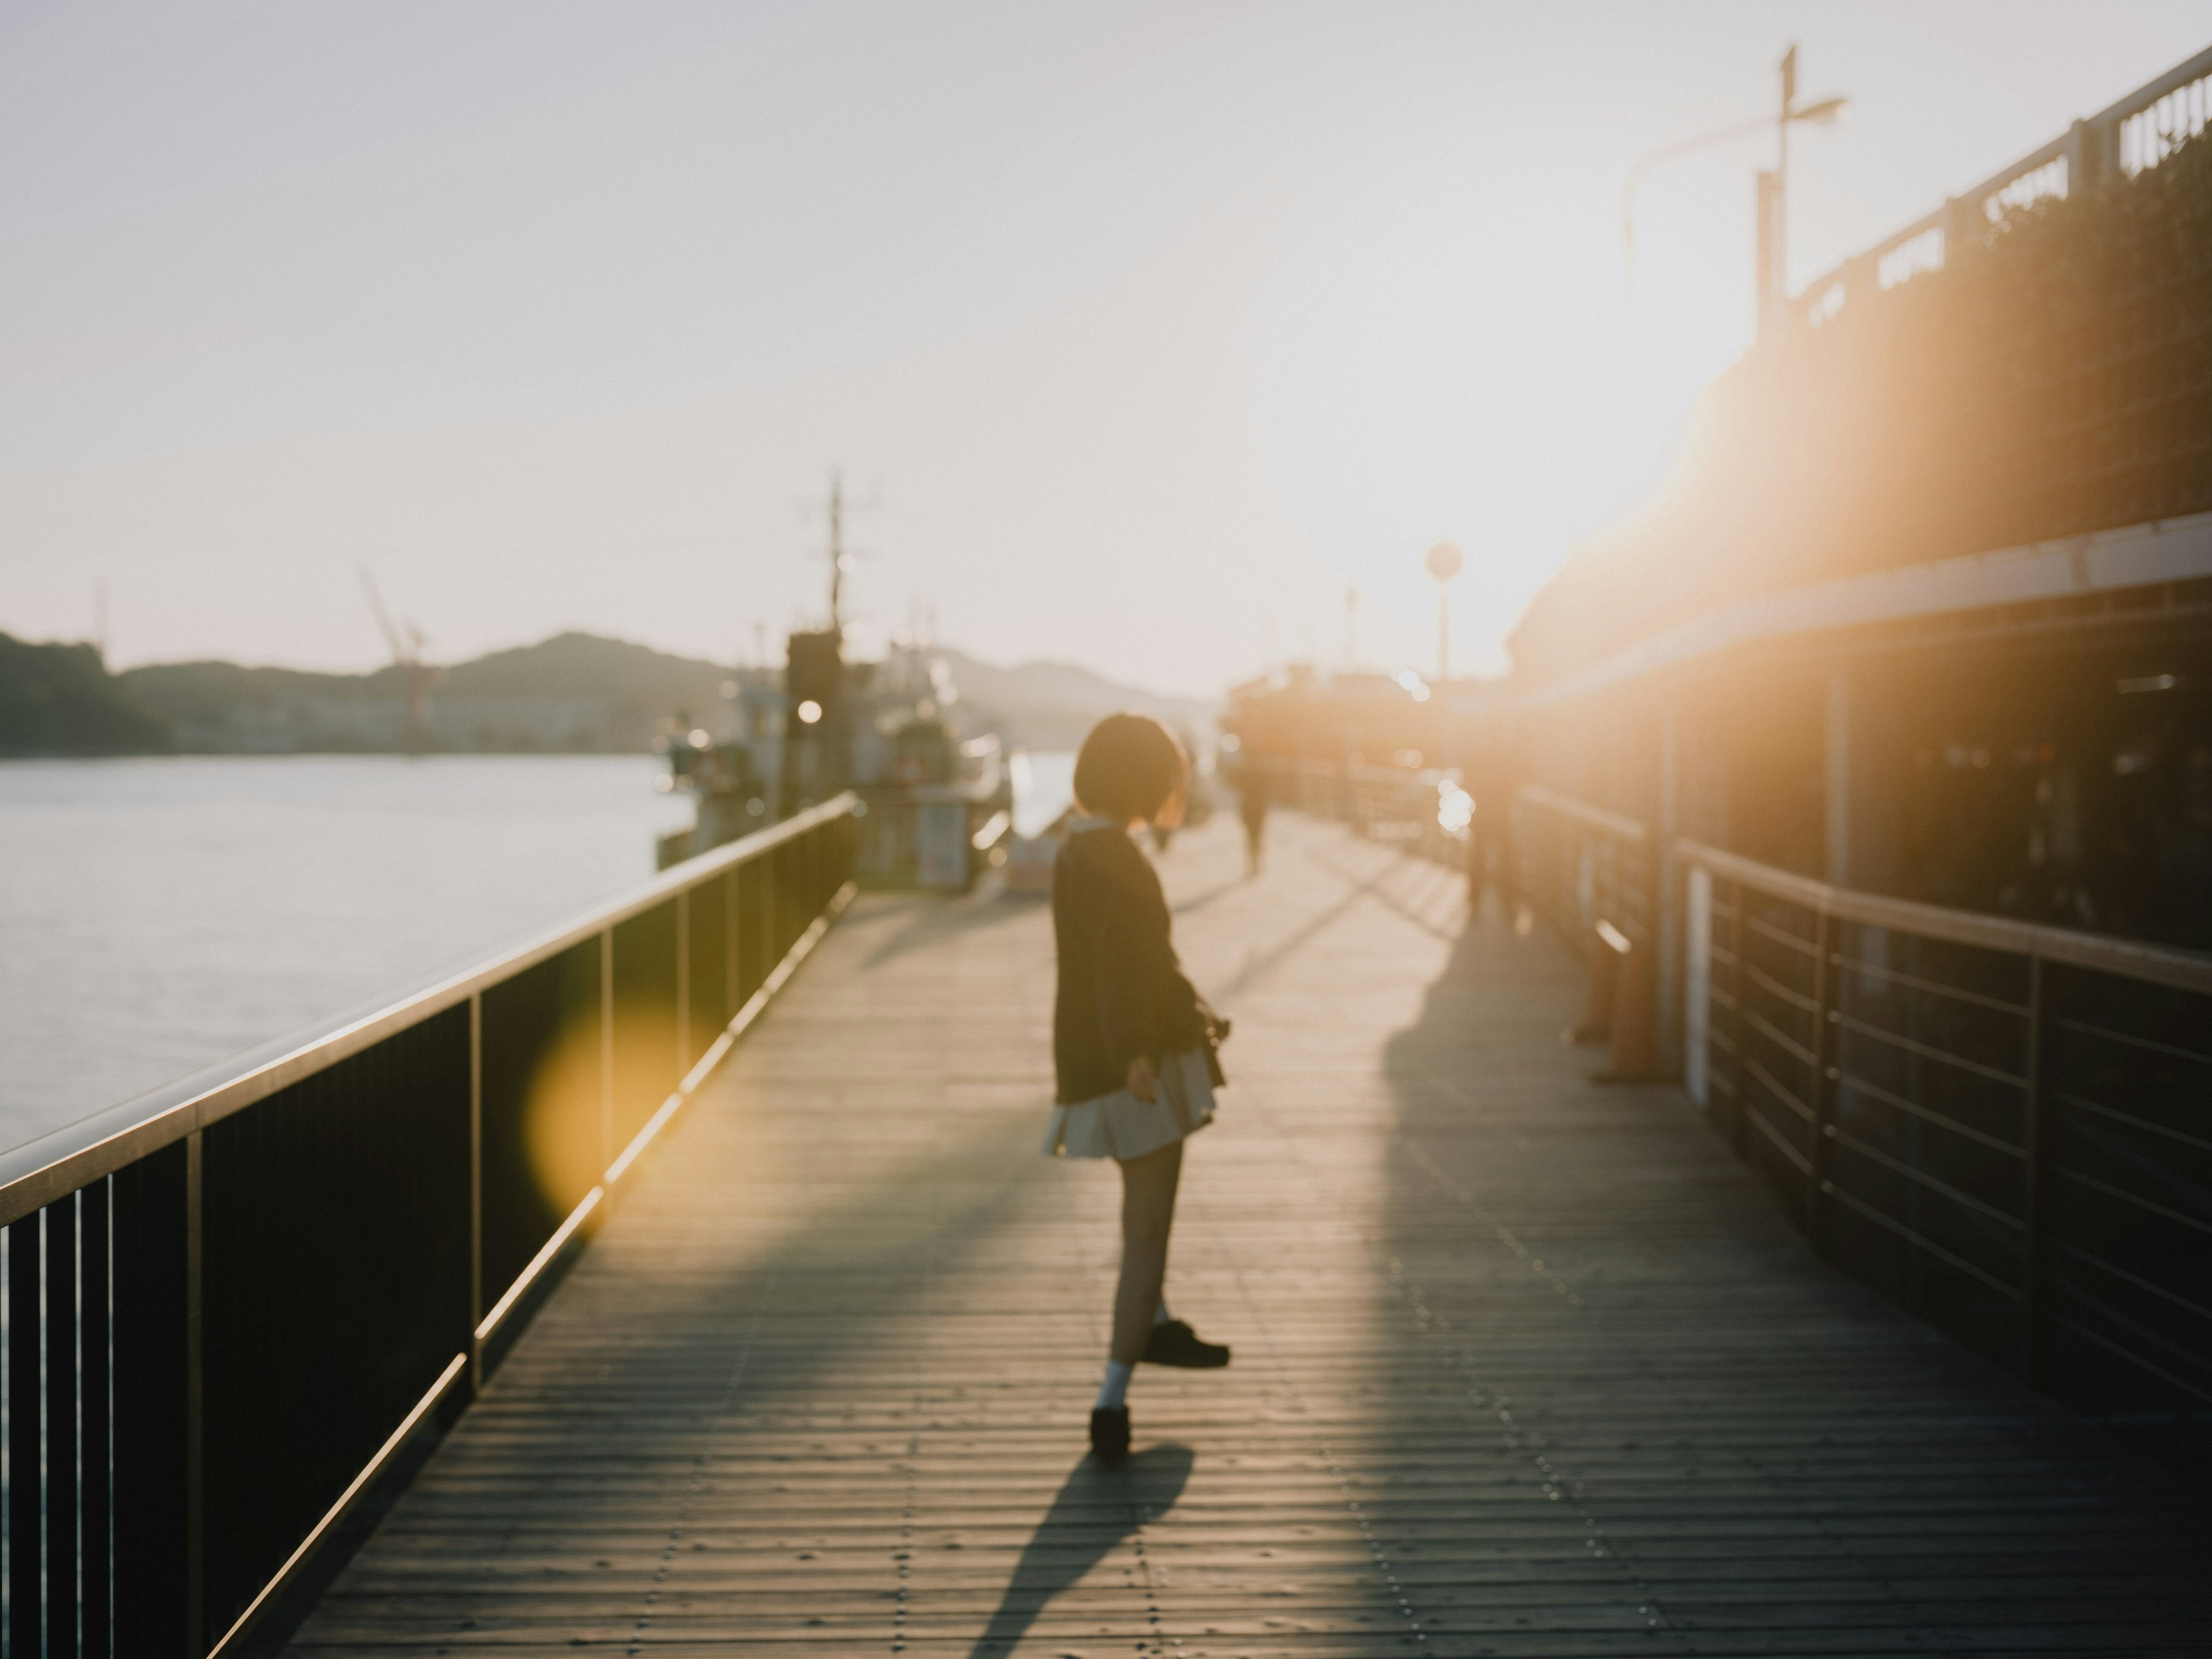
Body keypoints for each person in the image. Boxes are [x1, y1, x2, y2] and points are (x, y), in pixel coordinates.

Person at [1044, 713, 1232, 1465]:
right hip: (1136, 1067)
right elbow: (1127, 968)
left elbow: (1134, 962)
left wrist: (1193, 1011)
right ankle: (1111, 1401)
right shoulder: (1119, 857)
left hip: (1102, 1057)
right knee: (1148, 1234)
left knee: (1139, 1222)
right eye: (1164, 780)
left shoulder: (1076, 849)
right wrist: (1140, 1051)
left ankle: (1152, 1324)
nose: (1169, 793)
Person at [1237, 759, 1269, 875]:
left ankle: (1253, 862)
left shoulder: (1245, 774)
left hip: (1249, 808)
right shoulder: (1263, 773)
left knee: (1251, 837)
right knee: (1257, 836)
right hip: (1258, 808)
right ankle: (1256, 862)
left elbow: (1241, 789)